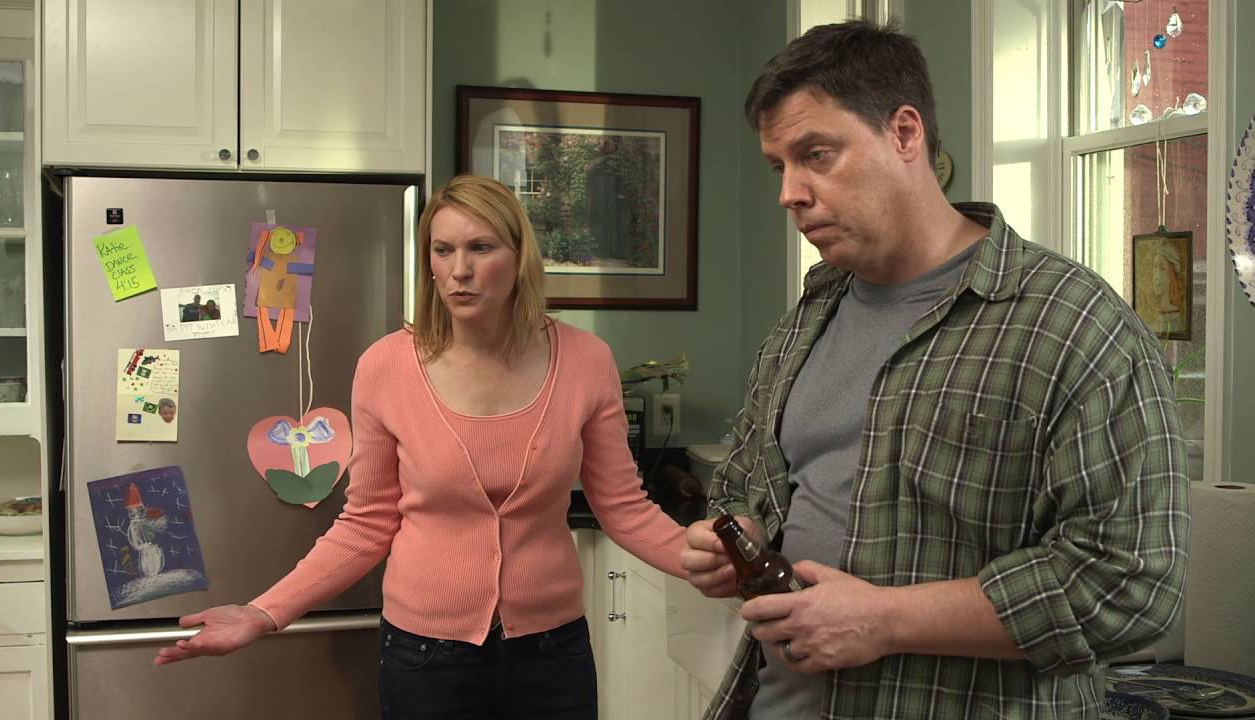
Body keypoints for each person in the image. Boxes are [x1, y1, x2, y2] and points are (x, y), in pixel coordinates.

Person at [680, 19, 1189, 720]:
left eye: (816, 155)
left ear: (905, 133)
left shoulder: (1074, 324)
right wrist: (735, 532)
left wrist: (886, 620)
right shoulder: (807, 316)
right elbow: (744, 481)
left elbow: (1131, 584)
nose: (789, 192)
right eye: (780, 167)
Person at [154, 174, 689, 720]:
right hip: (426, 658)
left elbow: (623, 506)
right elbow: (366, 523)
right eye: (443, 250)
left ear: (520, 257)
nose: (460, 270)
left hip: (553, 654)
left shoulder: (586, 360)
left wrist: (706, 560)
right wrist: (265, 612)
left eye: (481, 247)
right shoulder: (386, 366)